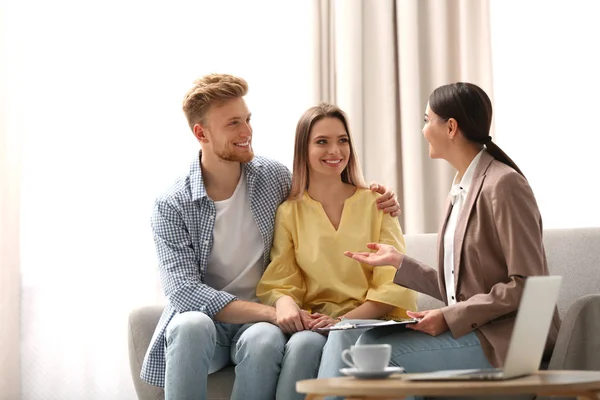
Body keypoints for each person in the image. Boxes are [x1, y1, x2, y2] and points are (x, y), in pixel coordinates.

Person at [140, 73, 401, 400]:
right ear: (200, 132)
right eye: (233, 123)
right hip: (211, 323)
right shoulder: (172, 204)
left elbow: (323, 193)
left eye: (247, 119)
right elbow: (184, 293)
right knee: (189, 325)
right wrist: (274, 311)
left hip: (263, 325)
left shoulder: (272, 178)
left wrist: (382, 196)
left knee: (264, 341)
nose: (247, 132)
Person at [322, 82, 561, 396]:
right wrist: (398, 262)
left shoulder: (504, 185)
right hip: (479, 331)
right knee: (362, 341)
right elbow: (462, 288)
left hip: (511, 343)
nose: (422, 130)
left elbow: (529, 286)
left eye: (426, 120)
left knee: (379, 357)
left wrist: (449, 316)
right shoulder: (461, 188)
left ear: (450, 127)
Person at [256, 103, 417, 400]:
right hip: (317, 323)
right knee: (303, 345)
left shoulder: (377, 203)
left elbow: (392, 283)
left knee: (332, 341)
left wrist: (344, 322)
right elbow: (281, 280)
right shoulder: (290, 212)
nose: (335, 151)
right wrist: (289, 306)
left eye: (342, 140)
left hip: (369, 322)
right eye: (322, 142)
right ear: (303, 148)